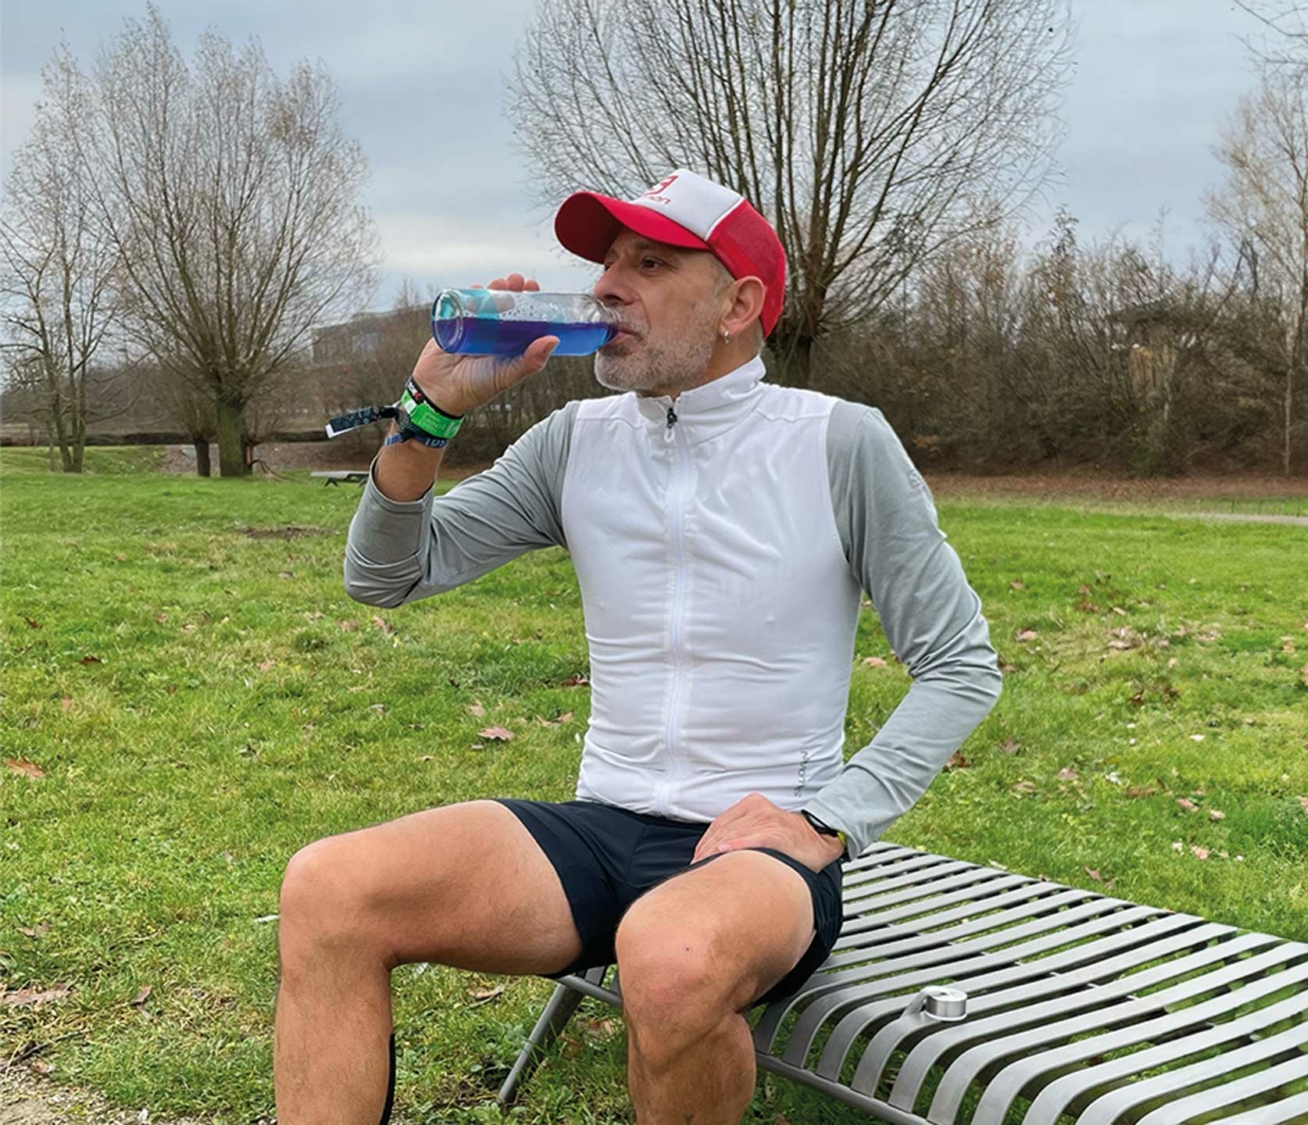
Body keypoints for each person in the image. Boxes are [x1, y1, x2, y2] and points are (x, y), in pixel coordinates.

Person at [274, 169, 1002, 1124]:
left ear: (738, 303)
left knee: (670, 951)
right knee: (329, 886)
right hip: (603, 826)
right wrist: (429, 415)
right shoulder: (573, 441)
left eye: (649, 264)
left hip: (757, 858)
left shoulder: (838, 442)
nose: (609, 285)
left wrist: (828, 820)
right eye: (608, 261)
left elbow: (959, 662)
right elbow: (388, 575)